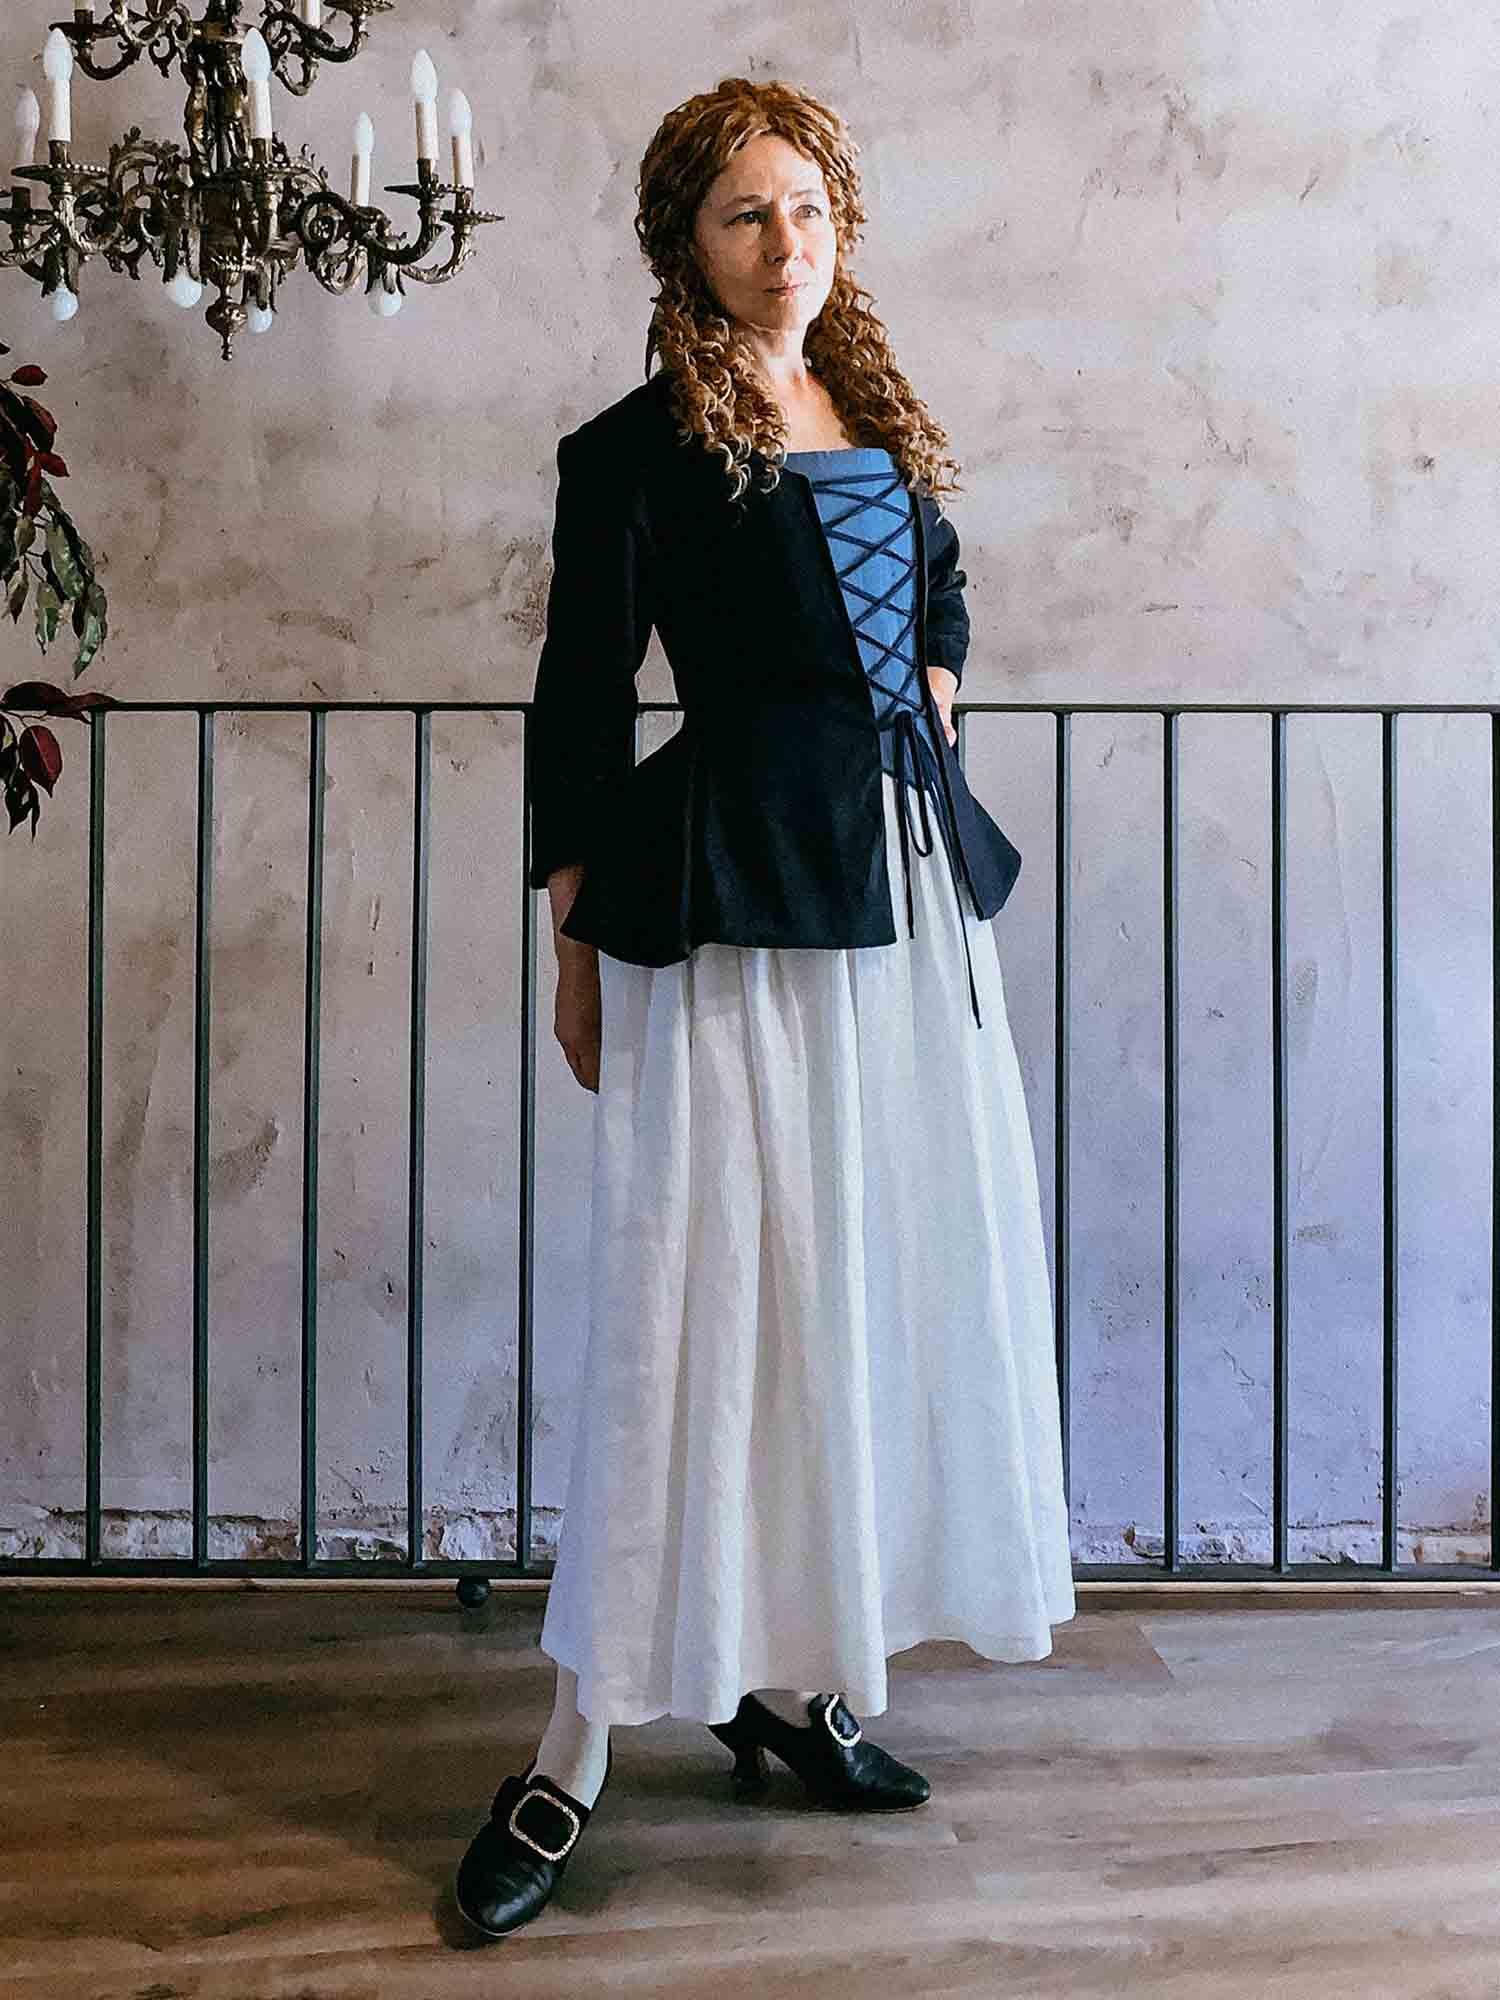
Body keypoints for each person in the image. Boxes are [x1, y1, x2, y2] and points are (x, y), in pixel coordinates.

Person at [453, 74, 1075, 1941]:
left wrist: (937, 689)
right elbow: (581, 696)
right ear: (685, 244)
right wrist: (573, 939)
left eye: (806, 207)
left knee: (862, 1290)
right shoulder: (632, 450)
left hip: (904, 903)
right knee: (697, 1303)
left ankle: (792, 1688)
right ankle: (570, 1752)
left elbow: (938, 595)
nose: (784, 241)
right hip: (730, 903)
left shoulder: (876, 410)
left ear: (839, 224)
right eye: (744, 213)